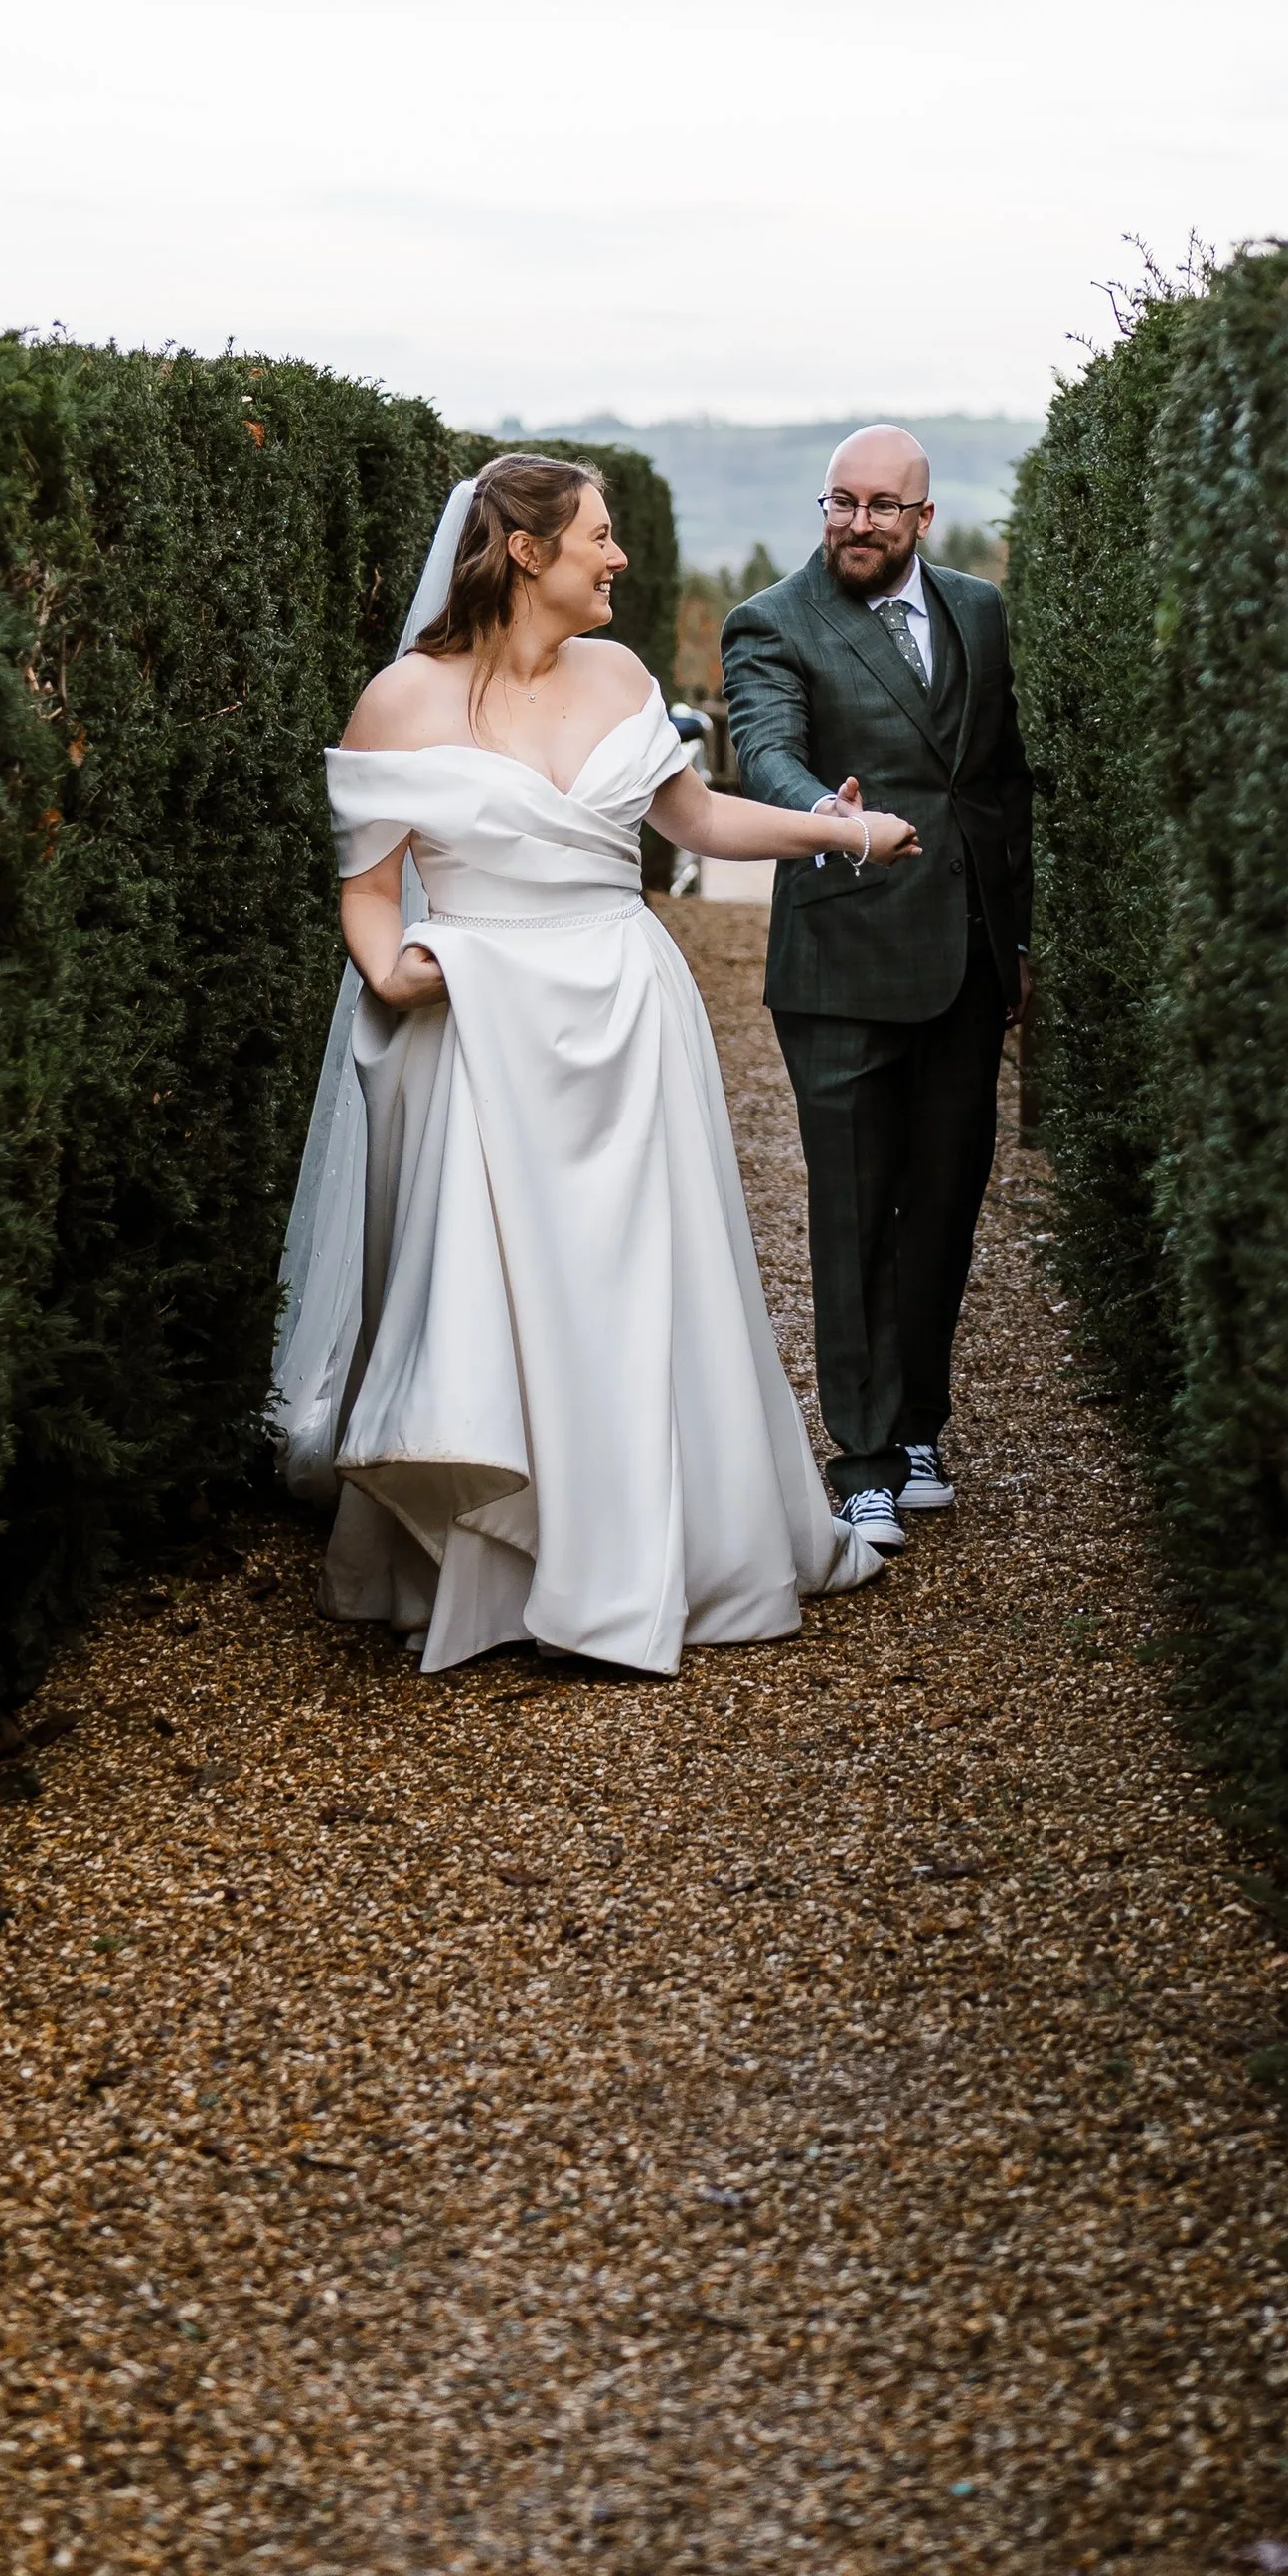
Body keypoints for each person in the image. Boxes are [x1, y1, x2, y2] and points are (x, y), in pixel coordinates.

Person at [267, 454, 920, 1677]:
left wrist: (842, 834)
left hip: (624, 1014)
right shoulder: (399, 701)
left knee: (636, 1282)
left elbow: (701, 822)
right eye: (600, 539)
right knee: (486, 1291)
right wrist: (392, 972)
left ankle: (657, 1554)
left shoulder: (619, 675)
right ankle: (490, 1568)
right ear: (525, 551)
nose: (619, 559)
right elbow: (364, 891)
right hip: (470, 1027)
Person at [718, 426, 1034, 1552]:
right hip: (843, 963)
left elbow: (999, 789)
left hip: (965, 960)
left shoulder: (979, 613)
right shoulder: (771, 622)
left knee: (945, 1202)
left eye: (881, 507)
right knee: (854, 1210)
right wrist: (829, 818)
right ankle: (856, 1460)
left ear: (923, 519)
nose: (856, 524)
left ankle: (916, 1431)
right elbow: (765, 750)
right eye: (839, 502)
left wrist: (1022, 944)